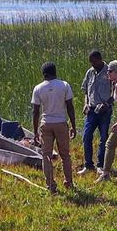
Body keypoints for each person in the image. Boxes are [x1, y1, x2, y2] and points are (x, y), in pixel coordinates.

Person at [32, 62, 77, 193]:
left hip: (46, 124)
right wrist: (73, 126)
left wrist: (35, 132)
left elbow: (35, 111)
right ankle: (69, 182)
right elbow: (70, 107)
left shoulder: (38, 88)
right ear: (55, 72)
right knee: (65, 155)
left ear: (44, 74)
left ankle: (51, 184)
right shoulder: (64, 85)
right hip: (61, 123)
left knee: (46, 156)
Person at [78, 50, 114, 176]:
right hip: (92, 110)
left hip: (105, 110)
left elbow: (115, 92)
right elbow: (86, 91)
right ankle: (88, 165)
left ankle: (100, 165)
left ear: (100, 59)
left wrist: (107, 104)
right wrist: (86, 104)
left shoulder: (109, 71)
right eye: (91, 62)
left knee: (103, 137)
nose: (92, 64)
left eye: (94, 61)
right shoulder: (90, 72)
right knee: (86, 136)